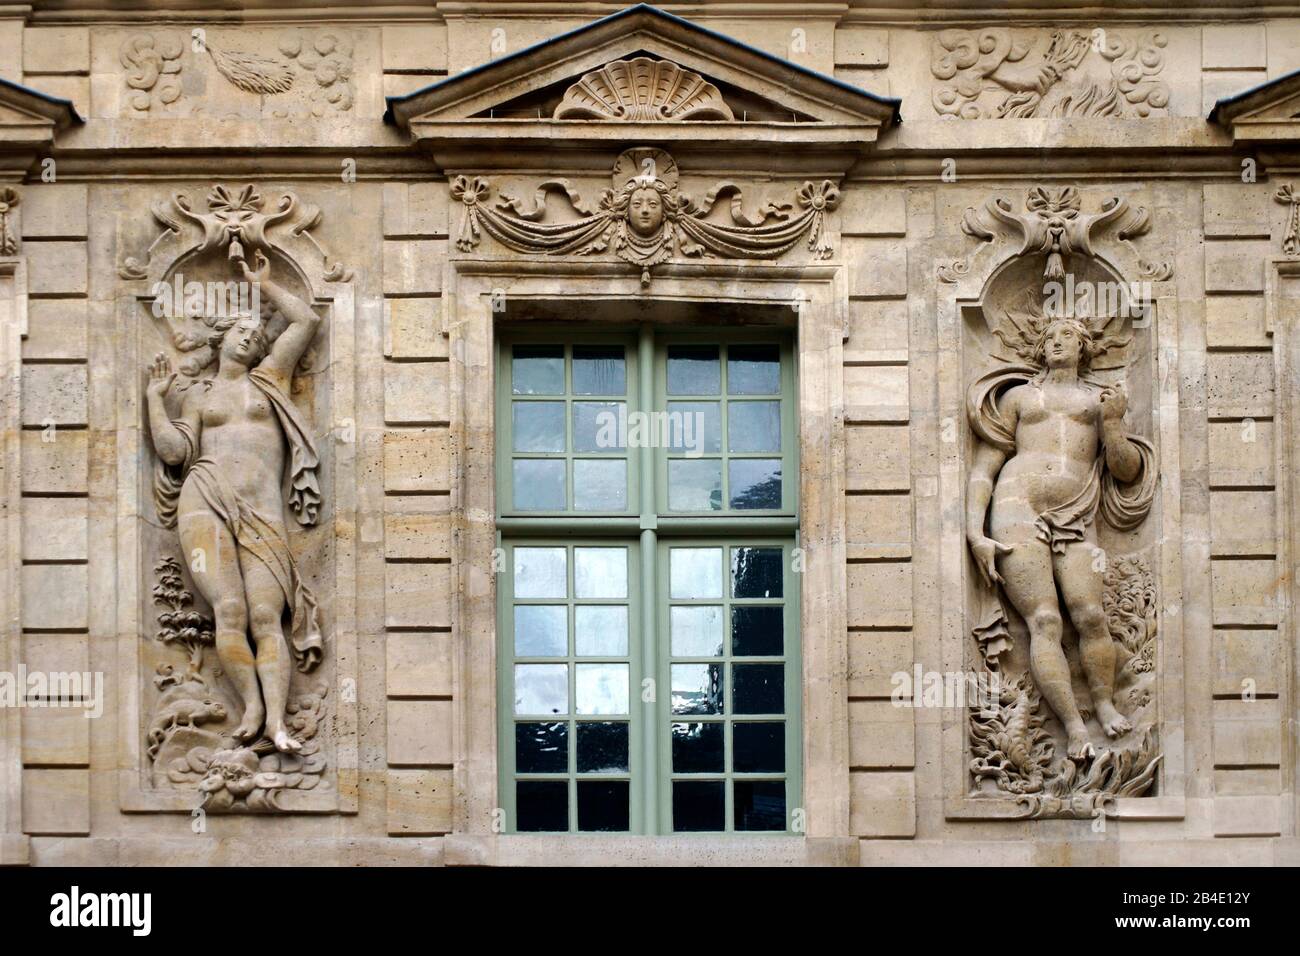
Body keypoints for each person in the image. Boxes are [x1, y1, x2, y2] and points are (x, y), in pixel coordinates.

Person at [146, 251, 323, 753]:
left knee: (268, 618)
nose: (251, 336)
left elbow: (305, 319)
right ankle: (251, 709)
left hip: (262, 513)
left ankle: (277, 724)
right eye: (242, 330)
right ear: (222, 338)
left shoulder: (269, 381)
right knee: (229, 610)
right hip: (204, 498)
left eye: (257, 334)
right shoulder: (197, 396)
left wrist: (264, 285)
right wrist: (155, 400)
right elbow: (175, 451)